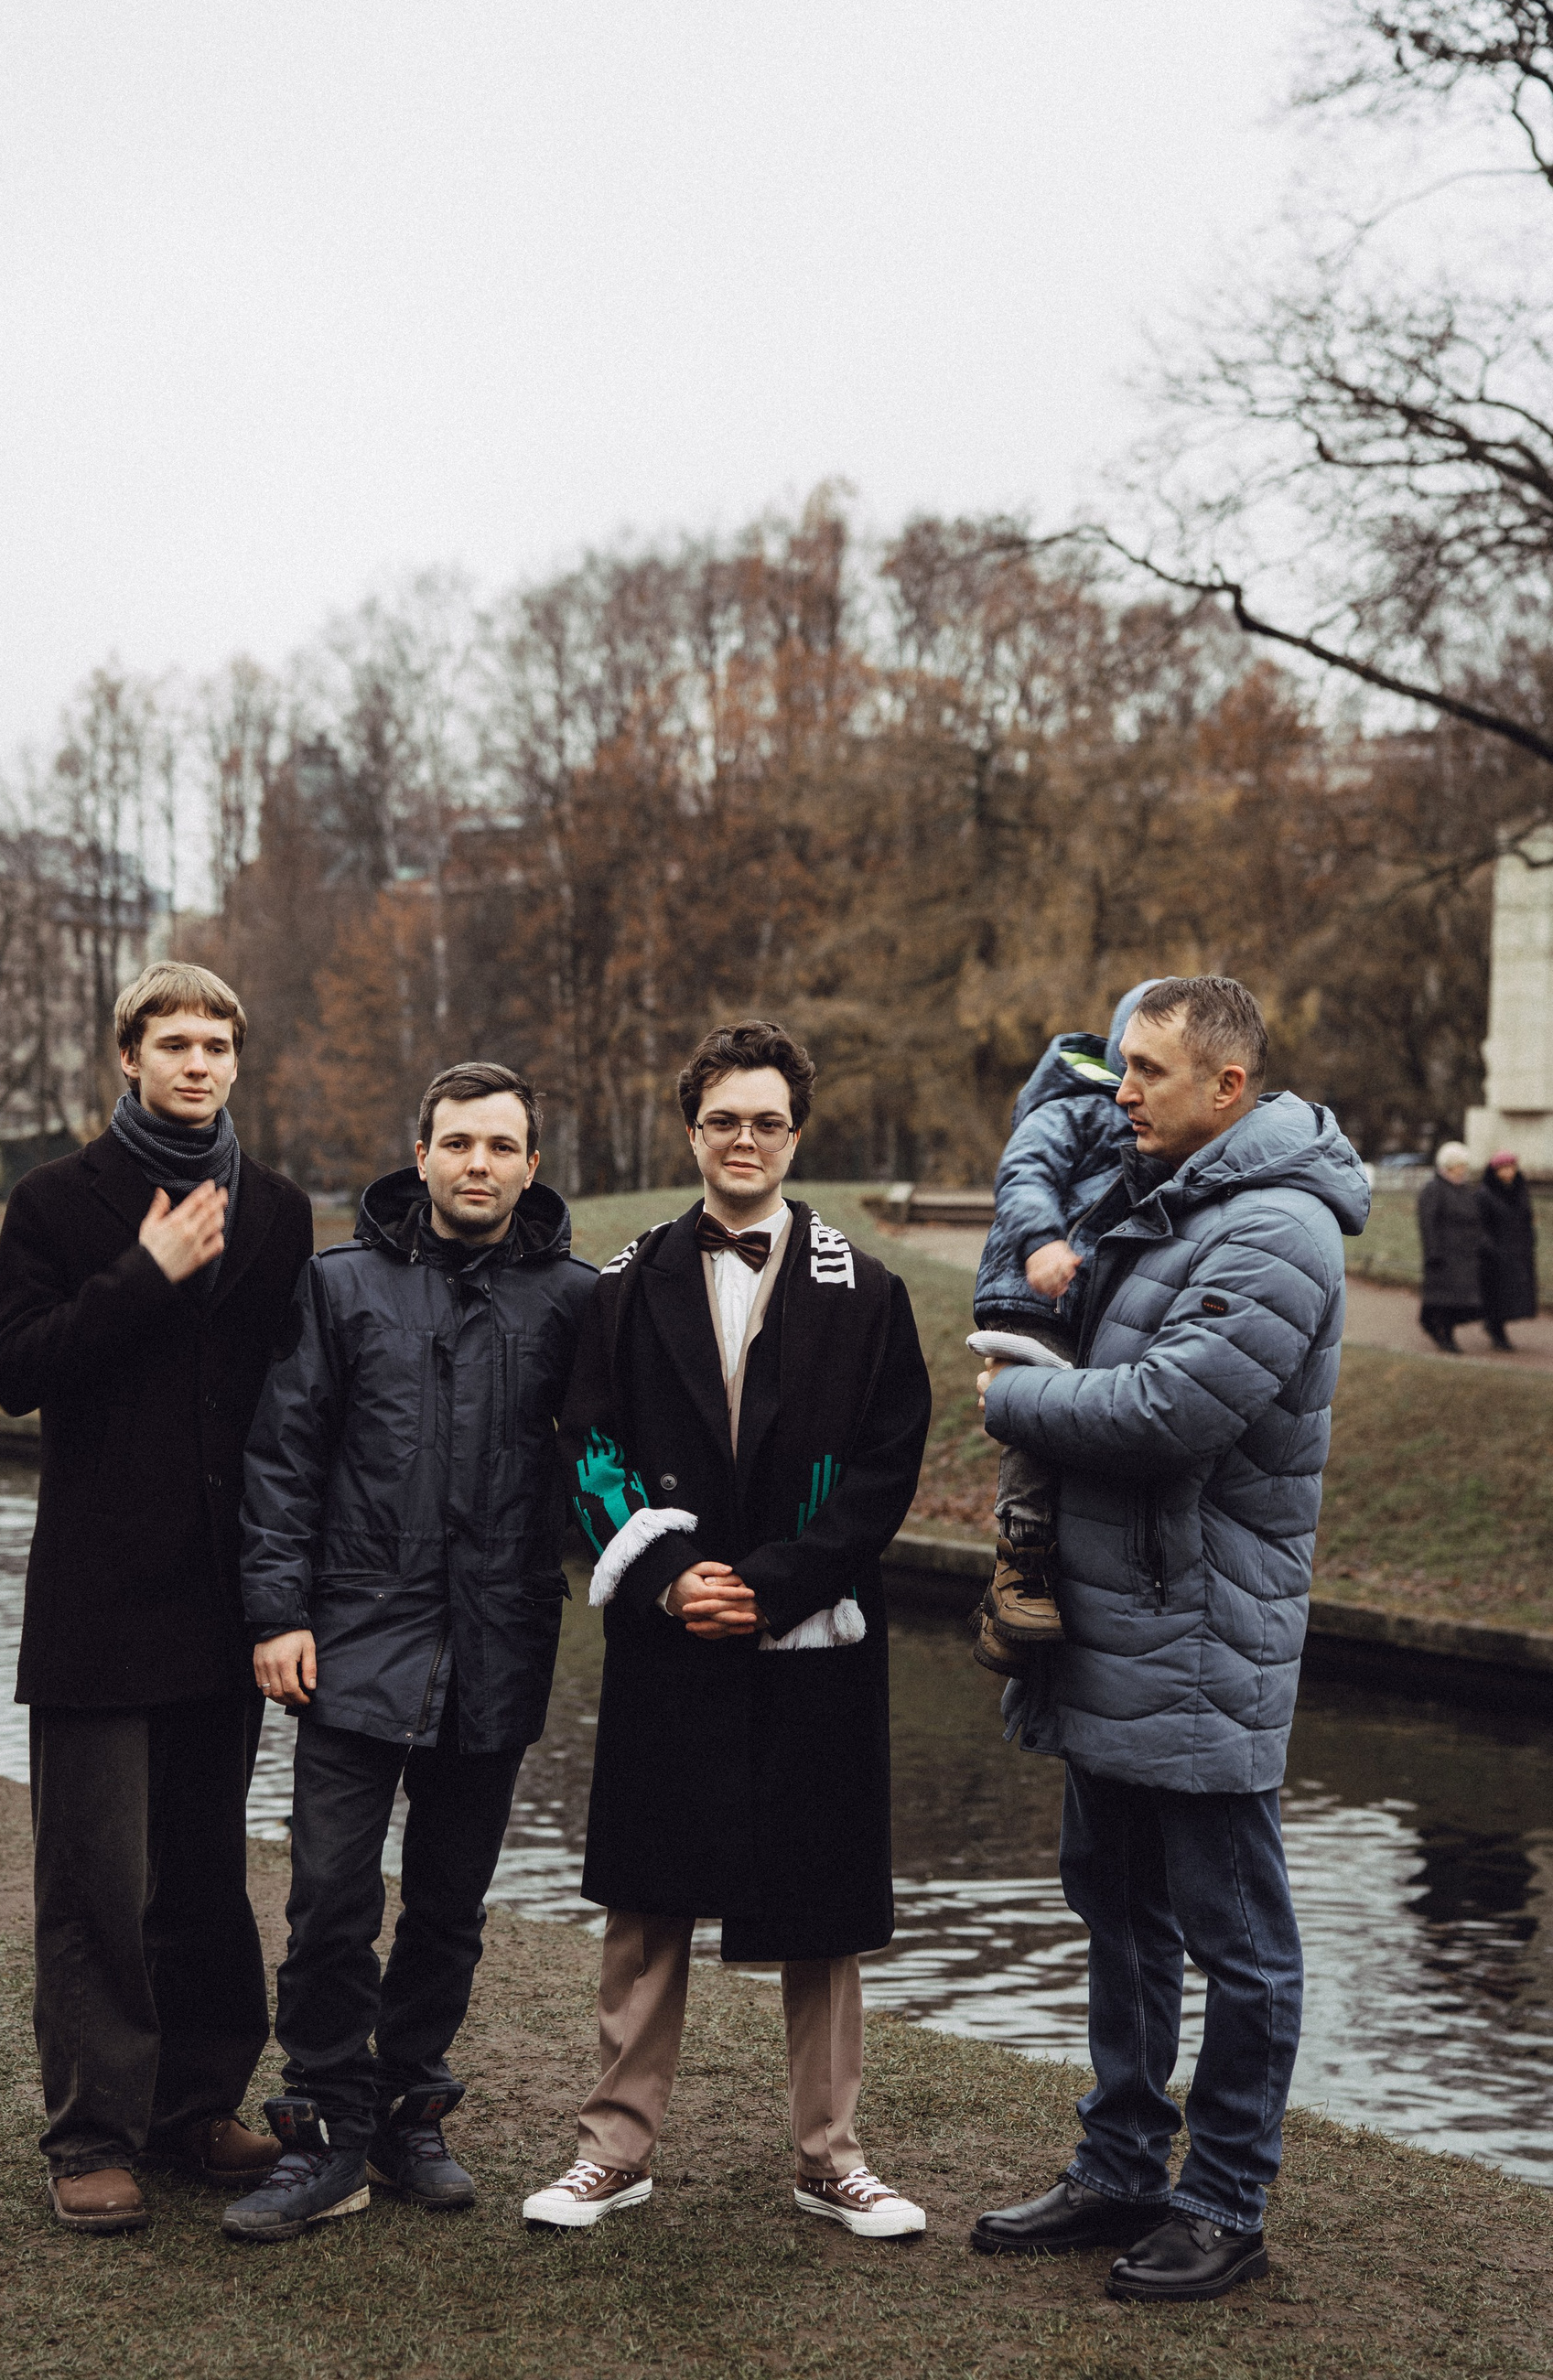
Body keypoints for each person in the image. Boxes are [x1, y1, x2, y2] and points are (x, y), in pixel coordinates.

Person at [972, 976, 1368, 2303]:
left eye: (1147, 1070)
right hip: (1116, 1625)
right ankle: (1121, 2166)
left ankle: (1225, 2200)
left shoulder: (1280, 1229)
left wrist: (1014, 1396)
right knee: (1120, 1909)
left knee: (1238, 1939)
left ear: (1228, 1088)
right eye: (1121, 1065)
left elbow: (1166, 1412)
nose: (1120, 1090)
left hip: (1203, 1638)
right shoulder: (1164, 1195)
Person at [522, 1020, 933, 2240]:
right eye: (722, 1120)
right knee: (648, 1897)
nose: (743, 1140)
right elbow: (585, 1445)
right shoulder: (623, 1284)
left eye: (766, 1121)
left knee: (823, 1906)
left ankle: (831, 2159)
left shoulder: (871, 1292)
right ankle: (613, 2150)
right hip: (672, 1631)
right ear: (691, 1131)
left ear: (796, 1135)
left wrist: (776, 1582)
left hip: (814, 1632)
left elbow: (888, 1465)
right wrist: (665, 1578)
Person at [227, 1063, 595, 2244]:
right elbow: (284, 1457)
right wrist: (278, 1614)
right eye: (458, 1143)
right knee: (330, 1897)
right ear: (422, 1154)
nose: (478, 1163)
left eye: (501, 1146)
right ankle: (325, 2126)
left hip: (498, 1643)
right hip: (351, 1641)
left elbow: (611, 1465)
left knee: (449, 1904)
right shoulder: (339, 1285)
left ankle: (408, 2110)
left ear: (530, 1166)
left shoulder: (576, 1300)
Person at [0, 961, 313, 2236]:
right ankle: (92, 2135)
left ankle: (196, 2108)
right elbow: (15, 1370)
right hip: (97, 1604)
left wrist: (289, 1590)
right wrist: (145, 1269)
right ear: (129, 1056)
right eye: (174, 1043)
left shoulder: (276, 1210)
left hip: (224, 1603)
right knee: (94, 1885)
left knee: (205, 1876)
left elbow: (291, 1409)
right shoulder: (56, 1201)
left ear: (236, 1060)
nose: (197, 1064)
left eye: (216, 1045)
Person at [971, 978, 1169, 1675]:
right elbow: (1024, 1174)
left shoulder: (1160, 1134)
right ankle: (1019, 1556)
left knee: (1081, 1423)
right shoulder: (1073, 1108)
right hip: (1033, 1292)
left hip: (1088, 1303)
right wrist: (1042, 1242)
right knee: (1034, 1417)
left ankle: (1025, 1606)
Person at [1417, 1140, 1489, 1353]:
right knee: (1446, 1300)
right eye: (1459, 1165)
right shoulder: (1434, 1189)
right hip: (1444, 1254)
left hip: (1465, 1255)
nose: (1463, 1169)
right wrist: (1433, 1251)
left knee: (1458, 1300)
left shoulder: (1465, 1189)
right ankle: (1444, 1335)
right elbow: (1428, 1223)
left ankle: (1440, 1329)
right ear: (1448, 1166)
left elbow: (1475, 1219)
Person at [1479, 1150, 1537, 1352]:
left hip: (1518, 1250)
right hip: (1496, 1253)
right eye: (1503, 1168)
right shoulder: (1485, 1194)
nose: (1508, 1172)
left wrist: (1530, 1239)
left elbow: (1527, 1218)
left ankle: (1497, 1327)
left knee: (1513, 1293)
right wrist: (1490, 1247)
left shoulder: (1520, 1190)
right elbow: (1480, 1225)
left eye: (1511, 1167)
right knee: (1497, 1294)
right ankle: (1496, 1329)